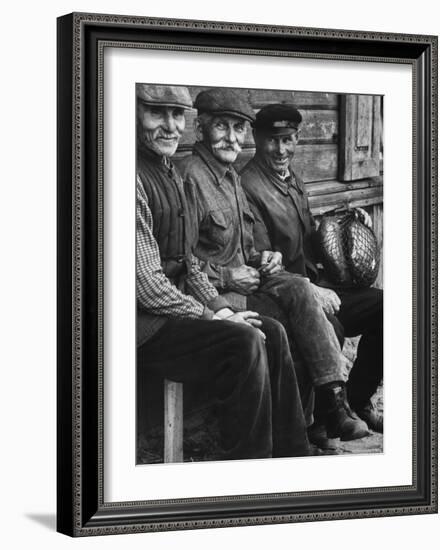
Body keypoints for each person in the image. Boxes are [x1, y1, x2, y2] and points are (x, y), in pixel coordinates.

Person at [180, 87, 370, 442]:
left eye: (238, 128)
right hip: (219, 294)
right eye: (222, 126)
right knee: (304, 323)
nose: (231, 137)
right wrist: (226, 275)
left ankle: (332, 403)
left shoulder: (231, 177)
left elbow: (247, 245)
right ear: (200, 129)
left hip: (251, 280)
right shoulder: (192, 177)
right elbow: (182, 261)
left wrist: (265, 257)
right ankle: (302, 429)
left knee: (300, 289)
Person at [136, 83, 311, 460]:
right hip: (141, 326)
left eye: (177, 115)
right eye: (157, 113)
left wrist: (224, 309)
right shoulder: (132, 177)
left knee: (270, 331)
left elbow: (190, 264)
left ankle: (294, 456)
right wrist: (214, 313)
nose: (170, 126)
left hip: (174, 312)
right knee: (243, 342)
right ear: (135, 114)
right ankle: (248, 467)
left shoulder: (168, 172)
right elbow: (148, 287)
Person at [240, 103, 383, 433]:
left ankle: (358, 401)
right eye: (272, 140)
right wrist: (312, 290)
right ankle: (323, 421)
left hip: (320, 285)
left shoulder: (293, 179)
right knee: (331, 326)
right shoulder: (248, 186)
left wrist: (346, 217)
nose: (281, 149)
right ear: (256, 138)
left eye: (288, 139)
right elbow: (260, 259)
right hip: (287, 297)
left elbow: (307, 236)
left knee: (387, 308)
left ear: (298, 139)